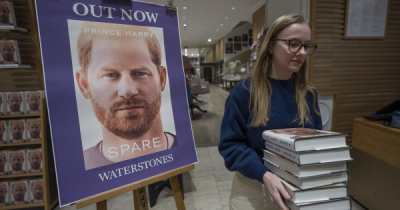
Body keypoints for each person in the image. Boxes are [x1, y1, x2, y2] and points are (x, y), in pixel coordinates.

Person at [219, 14, 322, 210]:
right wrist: (264, 174)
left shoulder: (309, 94)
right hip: (254, 187)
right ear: (271, 46)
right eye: (293, 43)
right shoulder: (245, 92)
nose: (301, 52)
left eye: (306, 45)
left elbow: (314, 142)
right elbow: (231, 145)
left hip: (298, 187)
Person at [74, 21, 177, 170]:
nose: (127, 90)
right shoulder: (78, 168)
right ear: (84, 84)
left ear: (161, 78)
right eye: (110, 74)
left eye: (140, 73)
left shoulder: (183, 151)